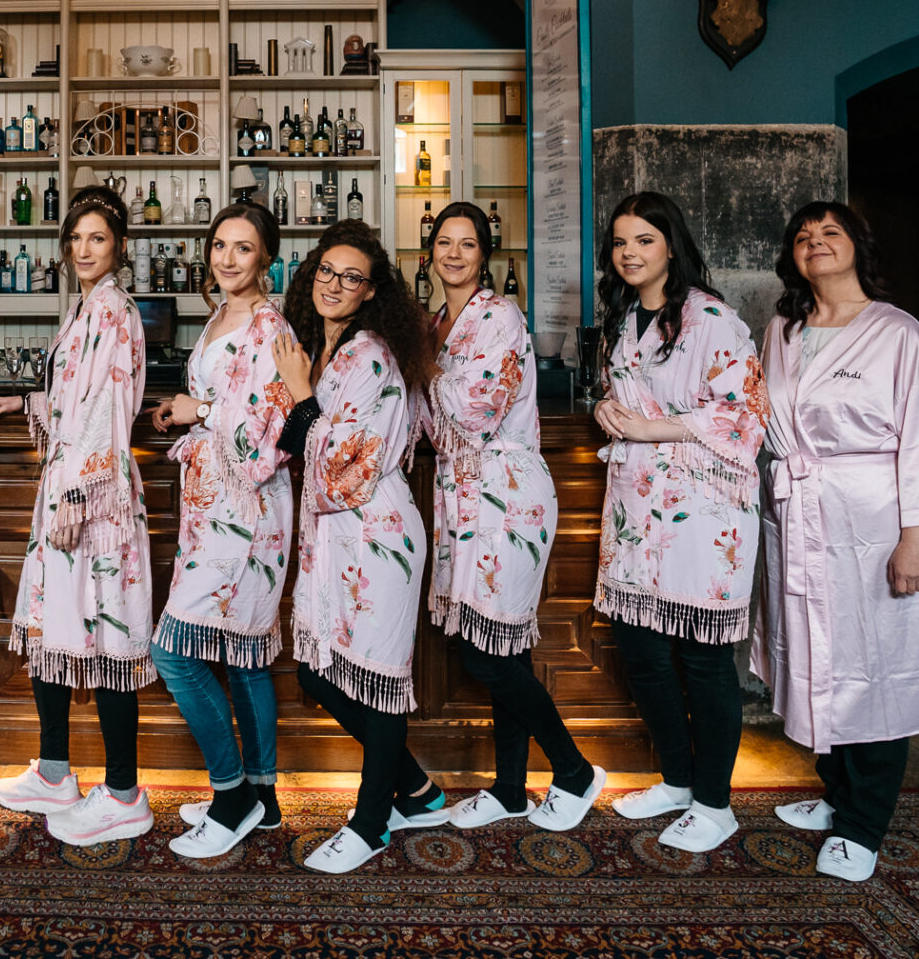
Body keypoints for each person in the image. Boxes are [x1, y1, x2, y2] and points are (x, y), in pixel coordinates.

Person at [753, 200, 919, 881]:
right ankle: (838, 796)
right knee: (816, 658)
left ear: (859, 246)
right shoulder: (783, 330)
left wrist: (918, 539)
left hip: (877, 522)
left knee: (878, 671)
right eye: (803, 236)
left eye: (830, 233)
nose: (815, 242)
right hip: (800, 518)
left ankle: (864, 826)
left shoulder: (896, 333)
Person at [0, 186, 156, 846]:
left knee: (107, 640)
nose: (84, 249)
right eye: (76, 238)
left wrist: (79, 493)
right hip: (69, 488)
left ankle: (126, 791)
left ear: (120, 247)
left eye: (97, 239)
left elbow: (110, 414)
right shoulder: (84, 310)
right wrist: (28, 399)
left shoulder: (116, 312)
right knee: (52, 626)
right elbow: (76, 400)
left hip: (94, 499)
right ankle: (54, 772)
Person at [593, 192, 766, 853]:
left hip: (704, 511)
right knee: (642, 651)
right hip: (640, 507)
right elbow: (631, 395)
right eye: (621, 242)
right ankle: (677, 778)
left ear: (671, 245)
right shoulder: (627, 316)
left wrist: (648, 426)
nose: (630, 253)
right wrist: (613, 412)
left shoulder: (712, 319)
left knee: (702, 657)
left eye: (644, 239)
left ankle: (716, 803)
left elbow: (745, 414)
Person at [421, 202, 603, 830]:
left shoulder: (499, 315)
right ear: (429, 252)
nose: (454, 253)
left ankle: (576, 771)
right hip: (464, 497)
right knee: (503, 648)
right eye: (444, 242)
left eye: (467, 244)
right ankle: (509, 788)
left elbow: (471, 411)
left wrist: (415, 376)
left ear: (485, 255)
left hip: (507, 495)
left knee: (486, 652)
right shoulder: (436, 322)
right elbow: (423, 422)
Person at [272, 220, 444, 874]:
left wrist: (302, 398)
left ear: (372, 292)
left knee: (376, 684)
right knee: (319, 672)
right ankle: (418, 789)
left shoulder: (372, 356)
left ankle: (371, 824)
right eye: (326, 272)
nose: (334, 285)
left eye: (351, 277)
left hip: (378, 536)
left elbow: (352, 463)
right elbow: (287, 434)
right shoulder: (317, 349)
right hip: (334, 538)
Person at [151, 202, 296, 856]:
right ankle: (262, 798)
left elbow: (275, 424)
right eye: (219, 246)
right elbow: (217, 408)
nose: (227, 258)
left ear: (266, 257)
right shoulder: (220, 315)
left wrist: (200, 408)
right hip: (212, 502)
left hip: (248, 508)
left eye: (242, 248)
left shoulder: (271, 328)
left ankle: (231, 794)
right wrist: (185, 417)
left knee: (173, 653)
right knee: (242, 656)